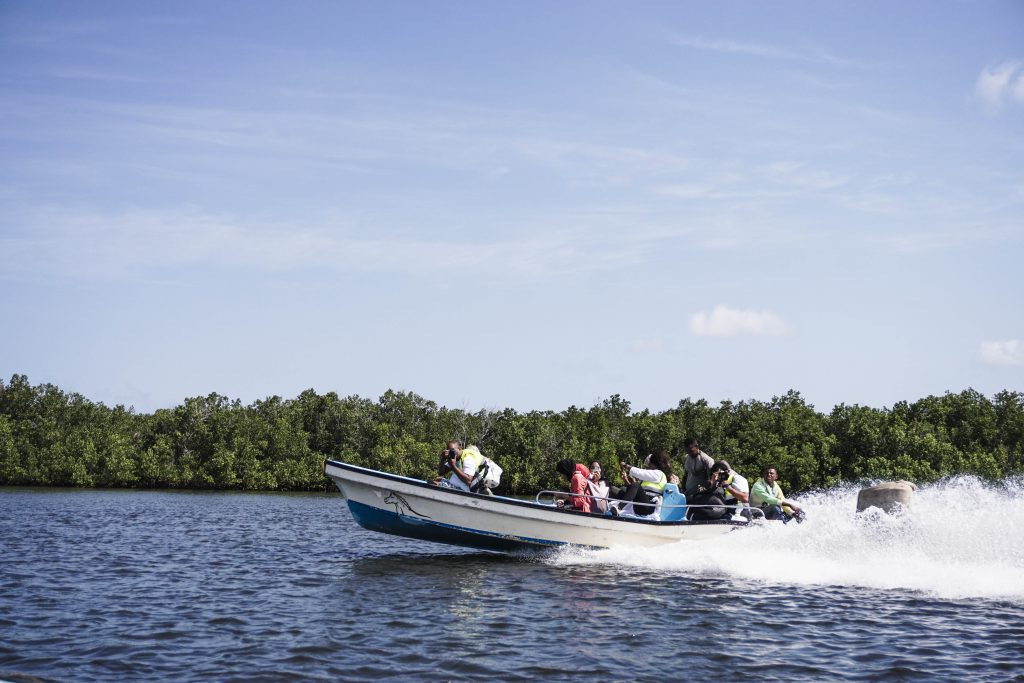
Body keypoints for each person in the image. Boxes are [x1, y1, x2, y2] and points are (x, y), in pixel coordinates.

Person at [611, 450, 672, 519]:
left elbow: (640, 473)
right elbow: (633, 491)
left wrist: (626, 465)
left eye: (650, 464)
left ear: (655, 463)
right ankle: (612, 508)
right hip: (641, 505)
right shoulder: (650, 477)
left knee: (636, 485)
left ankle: (618, 508)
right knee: (616, 489)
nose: (648, 465)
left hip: (649, 507)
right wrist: (626, 480)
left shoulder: (659, 474)